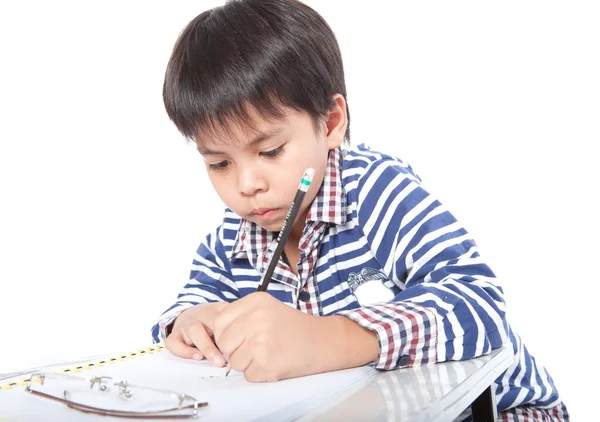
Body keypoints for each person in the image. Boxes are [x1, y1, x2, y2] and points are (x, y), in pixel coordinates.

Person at [151, 0, 568, 419]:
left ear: (331, 123)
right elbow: (187, 307)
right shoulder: (232, 237)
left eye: (271, 150)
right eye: (219, 163)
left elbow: (482, 307)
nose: (247, 185)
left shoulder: (378, 193)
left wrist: (328, 340)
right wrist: (190, 323)